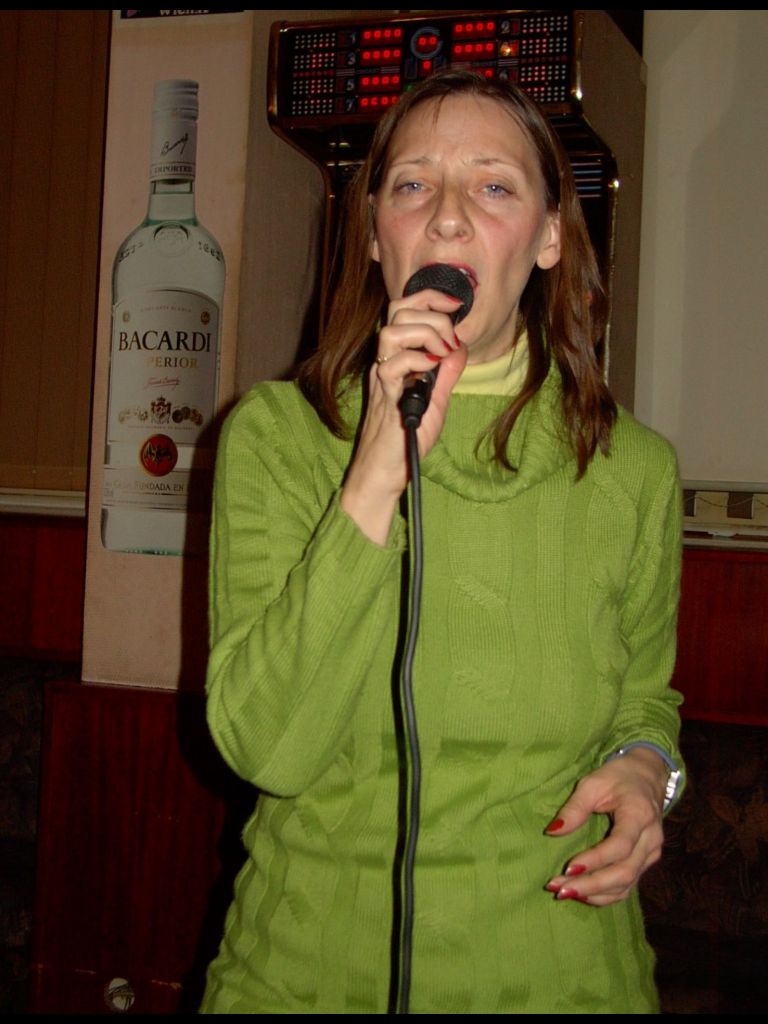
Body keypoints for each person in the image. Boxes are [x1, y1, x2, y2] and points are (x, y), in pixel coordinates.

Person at [200, 69, 684, 1014]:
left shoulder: (633, 469)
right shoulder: (275, 436)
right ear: (375, 231)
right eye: (413, 184)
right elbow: (267, 748)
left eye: (494, 186)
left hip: (564, 977)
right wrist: (376, 471)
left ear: (549, 237)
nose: (449, 217)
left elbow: (646, 701)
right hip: (305, 975)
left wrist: (646, 771)